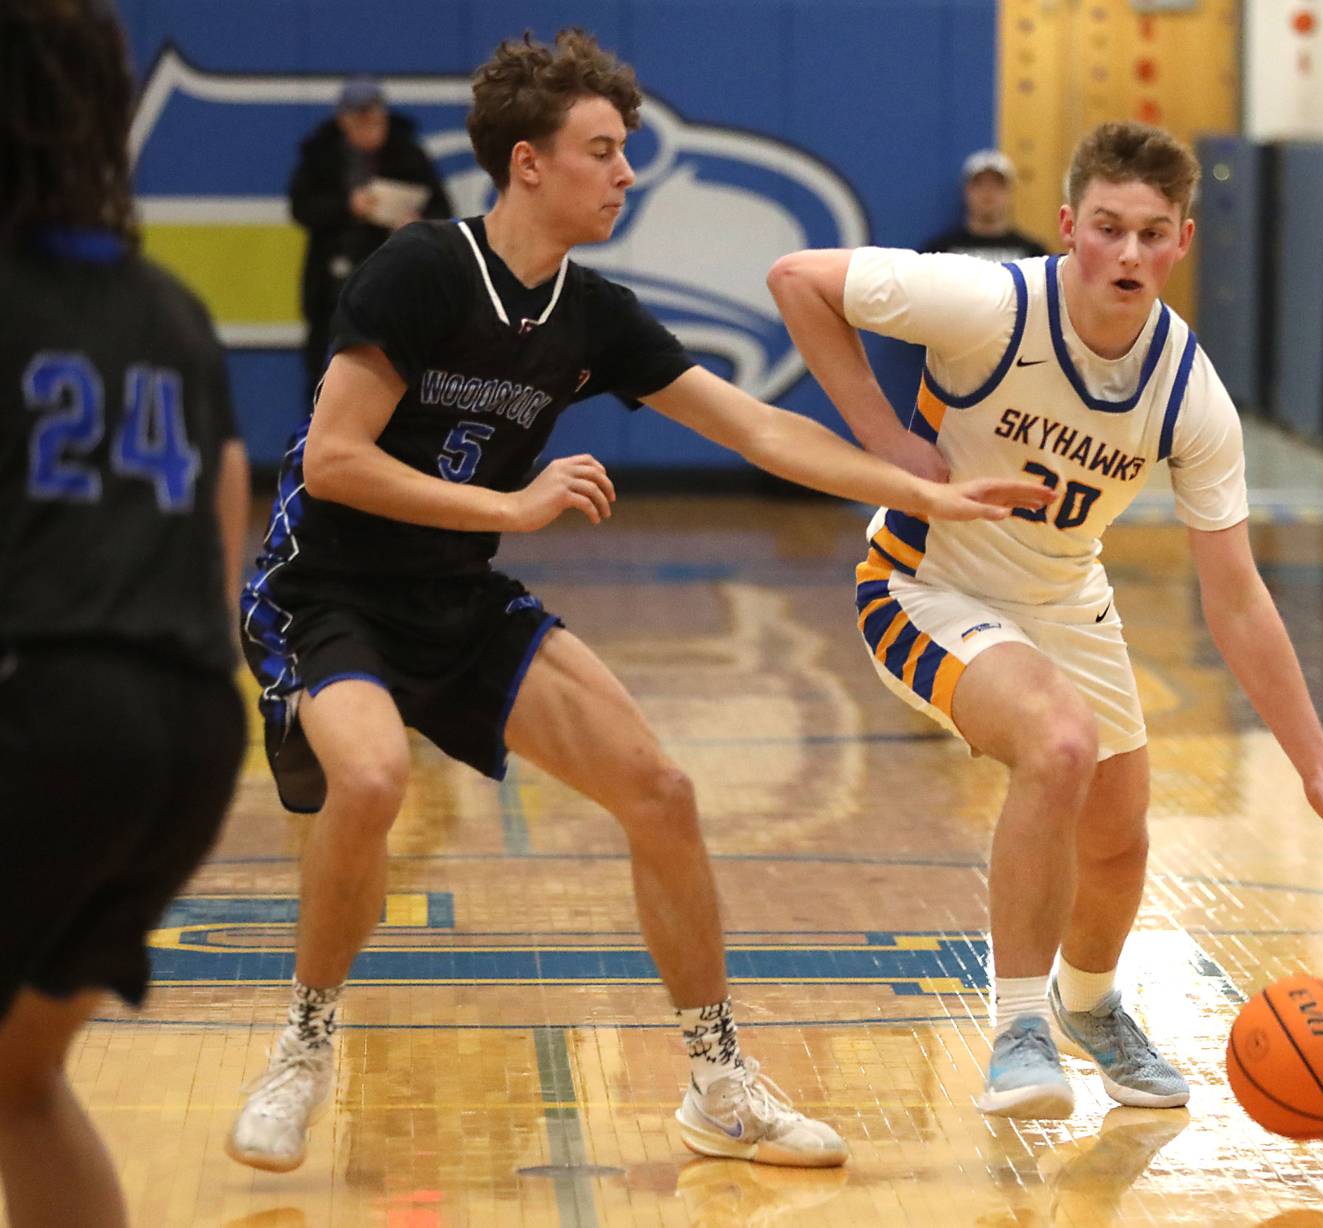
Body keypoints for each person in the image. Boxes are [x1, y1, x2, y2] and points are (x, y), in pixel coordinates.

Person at [228, 28, 1054, 1174]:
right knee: (369, 778)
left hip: (454, 596)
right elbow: (333, 461)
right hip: (327, 590)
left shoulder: (594, 313)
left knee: (661, 791)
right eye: (603, 150)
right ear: (528, 163)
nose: (626, 174)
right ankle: (302, 1046)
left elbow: (762, 428)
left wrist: (930, 486)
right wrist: (516, 512)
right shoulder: (416, 269)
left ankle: (719, 1084)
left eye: (624, 151)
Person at [767, 120, 1323, 1120]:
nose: (1130, 253)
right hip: (926, 584)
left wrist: (1317, 767)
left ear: (1183, 242)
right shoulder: (990, 301)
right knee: (1058, 742)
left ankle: (1087, 1006)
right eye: (1109, 227)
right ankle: (1015, 1027)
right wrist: (885, 446)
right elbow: (798, 276)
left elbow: (1234, 595)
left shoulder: (1191, 394)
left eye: (1152, 232)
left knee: (1121, 838)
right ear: (1067, 228)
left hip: (1064, 594)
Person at [0, 2, 250, 1224]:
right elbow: (224, 516)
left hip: (51, 705)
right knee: (21, 1081)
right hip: (192, 731)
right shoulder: (173, 314)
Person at [289, 75, 453, 395]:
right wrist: (347, 207)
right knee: (329, 366)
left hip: (396, 281)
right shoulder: (320, 155)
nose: (369, 129)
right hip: (333, 281)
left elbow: (442, 210)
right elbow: (301, 207)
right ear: (343, 122)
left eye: (375, 120)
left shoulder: (409, 154)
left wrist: (415, 224)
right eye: (359, 121)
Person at [924, 149, 1048, 263]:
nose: (988, 192)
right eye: (979, 184)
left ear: (1010, 193)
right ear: (966, 191)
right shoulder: (940, 251)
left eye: (998, 184)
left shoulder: (1034, 254)